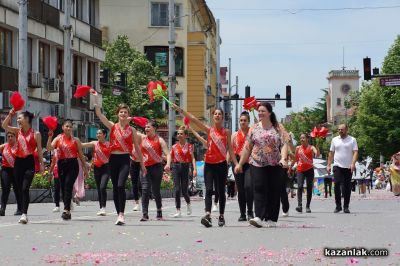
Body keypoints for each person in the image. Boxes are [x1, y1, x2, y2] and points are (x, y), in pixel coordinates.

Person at [174, 105, 238, 228]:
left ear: (223, 117)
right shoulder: (209, 130)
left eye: (219, 114)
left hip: (221, 165)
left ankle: (221, 216)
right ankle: (207, 215)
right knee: (208, 190)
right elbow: (193, 119)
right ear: (213, 117)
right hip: (209, 164)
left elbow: (230, 148)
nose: (217, 115)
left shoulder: (226, 132)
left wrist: (236, 164)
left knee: (220, 191)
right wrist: (180, 110)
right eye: (215, 114)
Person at [93, 95, 146, 225]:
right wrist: (96, 100)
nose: (123, 113)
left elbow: (137, 148)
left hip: (124, 159)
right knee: (116, 188)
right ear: (118, 114)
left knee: (121, 185)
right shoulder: (112, 126)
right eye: (121, 112)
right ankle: (119, 214)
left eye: (125, 112)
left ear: (128, 115)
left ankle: (122, 214)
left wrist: (142, 164)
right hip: (113, 159)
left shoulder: (132, 130)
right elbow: (99, 115)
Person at [235, 102, 289, 228]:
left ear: (269, 113)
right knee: (258, 187)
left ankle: (271, 218)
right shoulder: (253, 128)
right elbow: (247, 148)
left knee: (273, 190)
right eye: (258, 111)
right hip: (257, 162)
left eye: (263, 111)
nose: (260, 113)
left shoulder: (278, 127)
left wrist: (284, 159)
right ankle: (258, 216)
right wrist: (240, 164)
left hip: (275, 163)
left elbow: (284, 144)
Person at [2, 110, 44, 224]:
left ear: (26, 119)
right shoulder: (17, 131)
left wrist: (42, 165)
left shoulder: (36, 134)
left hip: (29, 163)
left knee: (25, 188)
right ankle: (22, 210)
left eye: (19, 118)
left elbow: (39, 150)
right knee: (20, 189)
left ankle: (24, 214)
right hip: (18, 163)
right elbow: (4, 125)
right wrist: (10, 114)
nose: (18, 120)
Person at [47, 120, 88, 220]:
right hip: (62, 164)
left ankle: (66, 210)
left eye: (70, 127)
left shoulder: (76, 140)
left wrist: (85, 168)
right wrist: (49, 136)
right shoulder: (58, 139)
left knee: (68, 185)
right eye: (67, 126)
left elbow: (81, 155)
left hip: (73, 164)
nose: (68, 128)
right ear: (63, 127)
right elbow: (49, 148)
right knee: (64, 187)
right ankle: (67, 209)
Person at [136, 120, 170, 221]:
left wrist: (168, 164)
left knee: (156, 191)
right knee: (145, 190)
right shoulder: (142, 138)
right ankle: (145, 214)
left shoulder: (160, 140)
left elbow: (168, 154)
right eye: (145, 127)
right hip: (145, 167)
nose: (146, 129)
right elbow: (132, 131)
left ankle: (159, 211)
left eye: (148, 127)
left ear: (154, 128)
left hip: (157, 167)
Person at [327, 124, 358, 213]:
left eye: (342, 129)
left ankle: (346, 206)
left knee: (347, 187)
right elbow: (331, 153)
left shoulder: (352, 140)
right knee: (336, 184)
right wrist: (329, 165)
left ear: (346, 130)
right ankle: (338, 206)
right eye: (339, 129)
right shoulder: (334, 140)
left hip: (348, 166)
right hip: (337, 165)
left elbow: (355, 152)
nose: (340, 131)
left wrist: (353, 163)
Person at [167, 126, 196, 218]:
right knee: (177, 189)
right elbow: (170, 157)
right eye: (178, 134)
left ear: (186, 135)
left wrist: (194, 169)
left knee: (184, 190)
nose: (179, 135)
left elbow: (193, 158)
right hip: (176, 167)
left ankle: (188, 204)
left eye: (181, 134)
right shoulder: (174, 146)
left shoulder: (190, 146)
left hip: (185, 167)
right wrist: (168, 164)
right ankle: (178, 210)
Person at [188, 126, 219, 210]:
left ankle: (216, 203)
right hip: (209, 166)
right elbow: (198, 136)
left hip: (218, 166)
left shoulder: (220, 142)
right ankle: (208, 207)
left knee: (217, 187)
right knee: (207, 186)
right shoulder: (207, 143)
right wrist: (190, 128)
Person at [229, 111, 253, 221]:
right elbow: (231, 151)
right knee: (241, 189)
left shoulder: (251, 133)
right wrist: (233, 163)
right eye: (241, 120)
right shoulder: (234, 135)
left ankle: (250, 212)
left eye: (245, 120)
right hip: (237, 163)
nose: (242, 122)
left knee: (248, 187)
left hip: (249, 163)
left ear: (248, 122)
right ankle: (242, 213)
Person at [81, 129, 111, 216]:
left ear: (104, 135)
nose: (98, 135)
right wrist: (73, 139)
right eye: (97, 133)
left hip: (106, 167)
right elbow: (83, 145)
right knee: (99, 188)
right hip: (97, 168)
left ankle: (104, 208)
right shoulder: (94, 143)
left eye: (100, 133)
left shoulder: (109, 144)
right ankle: (101, 208)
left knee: (102, 187)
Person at [295, 133, 319, 213]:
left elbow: (317, 154)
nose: (302, 139)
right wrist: (292, 167)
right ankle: (299, 205)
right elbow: (296, 159)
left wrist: (317, 147)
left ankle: (308, 206)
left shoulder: (311, 147)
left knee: (309, 187)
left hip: (309, 169)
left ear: (307, 139)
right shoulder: (298, 148)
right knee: (300, 186)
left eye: (303, 138)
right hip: (300, 170)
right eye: (301, 138)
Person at [0, 132, 21, 216]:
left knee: (17, 189)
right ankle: (2, 209)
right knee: (5, 189)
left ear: (15, 137)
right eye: (8, 136)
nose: (10, 138)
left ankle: (20, 208)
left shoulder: (18, 147)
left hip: (16, 170)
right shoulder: (4, 146)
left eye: (12, 136)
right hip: (5, 170)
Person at [130, 144, 141, 211]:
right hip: (133, 163)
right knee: (134, 184)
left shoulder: (144, 142)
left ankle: (144, 202)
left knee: (141, 183)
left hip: (143, 163)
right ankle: (137, 203)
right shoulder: (132, 144)